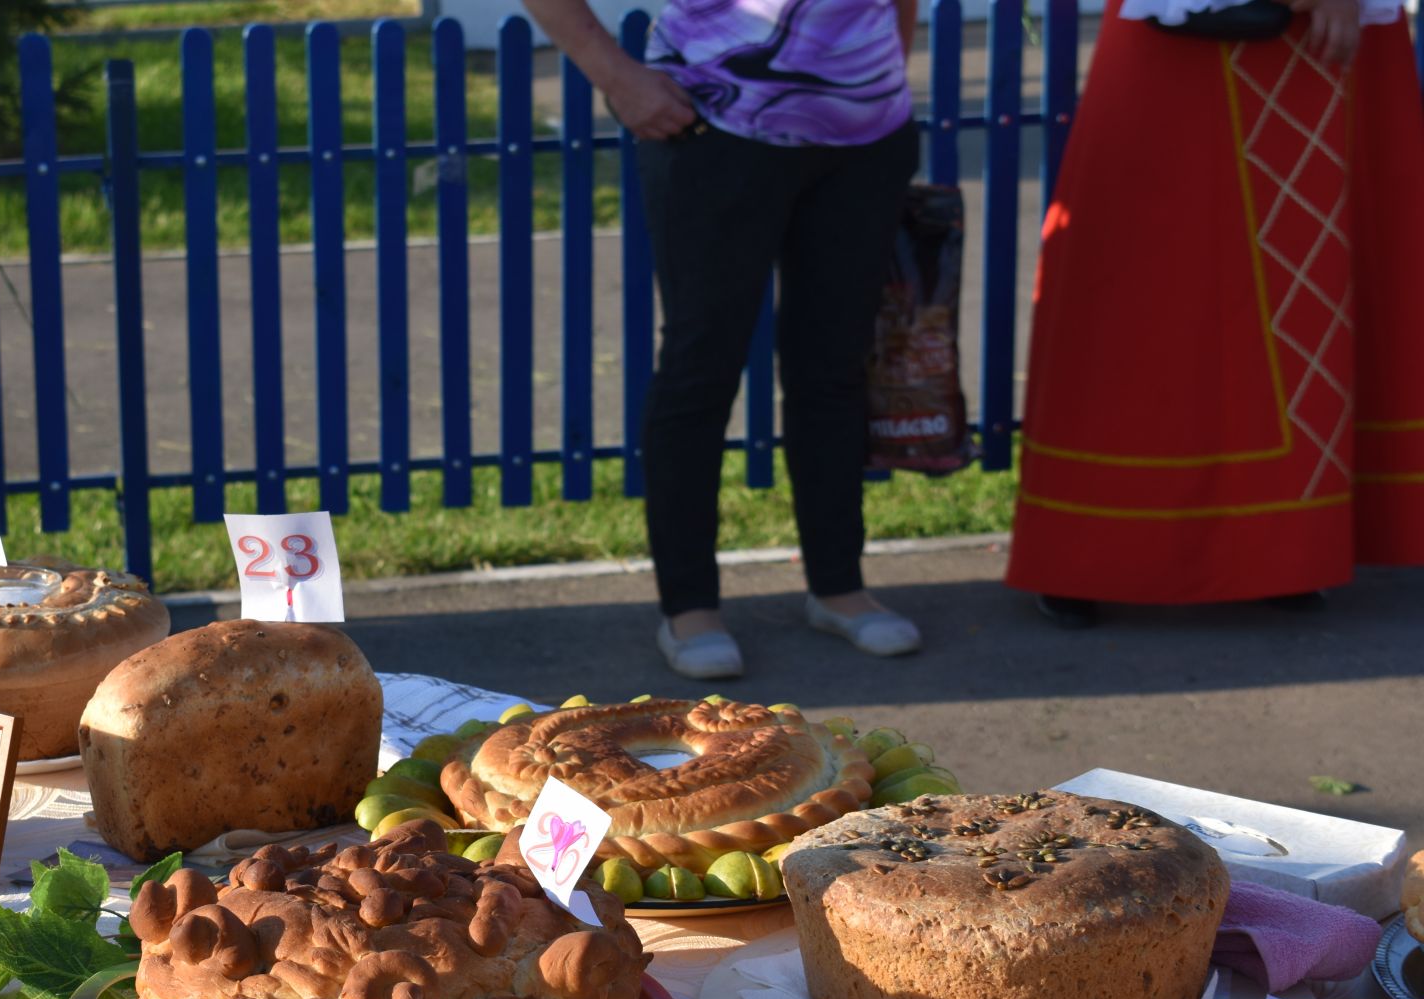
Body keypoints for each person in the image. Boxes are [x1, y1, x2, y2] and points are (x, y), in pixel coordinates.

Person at [524, 0, 924, 678]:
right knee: (700, 367)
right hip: (709, 126)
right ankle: (689, 609)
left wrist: (876, 73)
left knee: (833, 369)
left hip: (866, 137)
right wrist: (617, 77)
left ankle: (838, 588)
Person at [1006, 0, 1424, 626]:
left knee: (1307, 301)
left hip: (1326, 45)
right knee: (1136, 300)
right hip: (1182, 40)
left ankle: (1290, 544)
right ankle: (1090, 546)